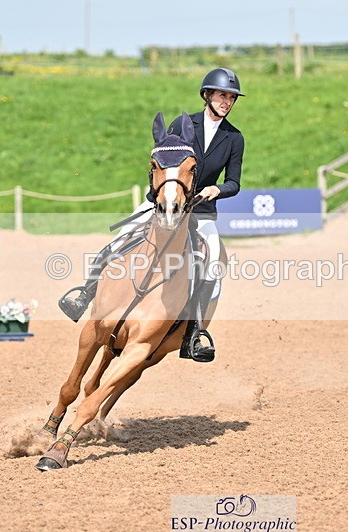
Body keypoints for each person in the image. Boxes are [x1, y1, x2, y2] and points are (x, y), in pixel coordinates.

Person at [58, 67, 246, 362]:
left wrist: (216, 189)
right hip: (162, 203)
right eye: (222, 95)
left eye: (232, 98)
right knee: (119, 241)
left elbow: (234, 182)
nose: (227, 101)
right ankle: (85, 294)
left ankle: (194, 333)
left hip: (201, 212)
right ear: (207, 95)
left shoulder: (234, 138)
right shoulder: (183, 125)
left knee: (211, 266)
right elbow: (163, 159)